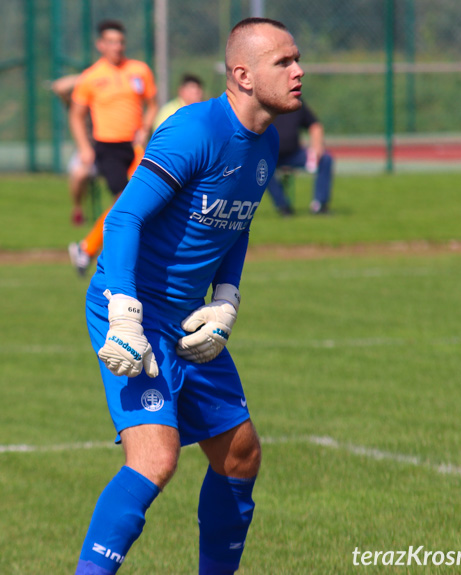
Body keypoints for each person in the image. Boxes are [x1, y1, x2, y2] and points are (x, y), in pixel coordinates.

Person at [74, 17, 304, 574]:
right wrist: (125, 313)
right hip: (130, 307)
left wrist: (225, 298)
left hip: (185, 319)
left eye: (298, 60)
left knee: (241, 454)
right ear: (243, 75)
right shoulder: (193, 131)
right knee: (155, 460)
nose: (299, 72)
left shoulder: (265, 140)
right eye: (285, 63)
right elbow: (125, 216)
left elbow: (237, 222)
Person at [67, 19, 158, 276]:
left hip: (136, 145)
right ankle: (87, 248)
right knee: (123, 202)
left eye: (120, 42)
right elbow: (75, 115)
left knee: (145, 198)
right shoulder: (91, 77)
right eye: (111, 42)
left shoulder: (139, 70)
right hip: (108, 147)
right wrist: (84, 147)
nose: (117, 47)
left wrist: (145, 127)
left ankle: (92, 249)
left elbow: (152, 104)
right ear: (100, 45)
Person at [265, 98, 333, 215]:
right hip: (270, 156)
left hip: (295, 154)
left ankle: (320, 205)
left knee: (325, 159)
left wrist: (316, 147)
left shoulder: (295, 103)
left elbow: (315, 125)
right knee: (262, 168)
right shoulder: (264, 104)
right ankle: (283, 207)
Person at [51, 74, 97, 226]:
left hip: (112, 148)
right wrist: (90, 77)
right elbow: (59, 86)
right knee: (79, 174)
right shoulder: (79, 102)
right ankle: (77, 208)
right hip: (87, 149)